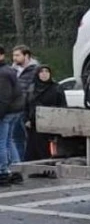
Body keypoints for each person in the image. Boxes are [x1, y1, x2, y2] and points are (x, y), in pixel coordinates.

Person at [23, 64, 67, 164]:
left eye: (47, 71)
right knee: (32, 150)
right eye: (41, 72)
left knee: (46, 150)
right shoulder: (32, 88)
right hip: (34, 126)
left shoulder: (56, 88)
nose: (44, 74)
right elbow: (26, 105)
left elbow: (62, 106)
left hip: (49, 127)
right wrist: (26, 119)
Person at [0, 46, 26, 185]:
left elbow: (3, 97)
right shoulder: (9, 70)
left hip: (7, 111)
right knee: (10, 141)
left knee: (2, 143)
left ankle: (2, 172)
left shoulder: (2, 73)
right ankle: (16, 169)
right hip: (15, 110)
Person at [10, 45, 37, 161]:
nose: (14, 58)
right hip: (15, 109)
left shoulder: (36, 70)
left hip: (28, 110)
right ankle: (18, 162)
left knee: (29, 139)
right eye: (13, 55)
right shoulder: (13, 70)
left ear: (26, 56)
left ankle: (27, 162)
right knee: (15, 138)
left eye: (17, 55)